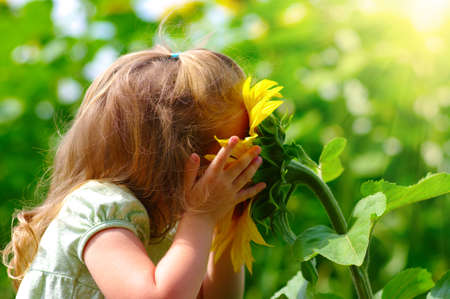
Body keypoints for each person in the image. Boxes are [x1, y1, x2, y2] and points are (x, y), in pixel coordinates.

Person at [2, 45, 267, 299]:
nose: (227, 178)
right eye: (222, 163)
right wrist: (201, 216)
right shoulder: (98, 206)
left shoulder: (166, 229)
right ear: (170, 161)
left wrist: (227, 226)